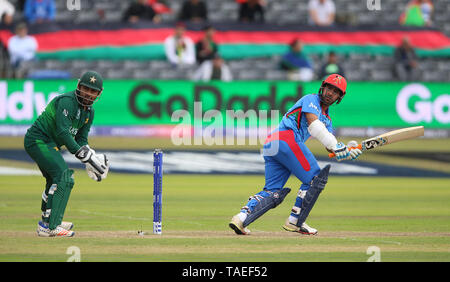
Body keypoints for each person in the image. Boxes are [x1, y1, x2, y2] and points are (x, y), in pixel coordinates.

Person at [229, 74, 362, 236]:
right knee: (315, 179)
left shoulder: (327, 120)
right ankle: (295, 220)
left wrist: (347, 150)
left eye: (335, 91)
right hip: (286, 139)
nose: (330, 93)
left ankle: (240, 218)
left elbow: (331, 148)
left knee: (273, 192)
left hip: (273, 144)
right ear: (323, 86)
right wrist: (336, 145)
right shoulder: (311, 100)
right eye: (329, 88)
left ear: (340, 97)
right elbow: (315, 126)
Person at [24, 71, 109, 237]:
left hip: (49, 144)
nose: (88, 94)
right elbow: (63, 133)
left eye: (93, 91)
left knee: (54, 179)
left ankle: (47, 223)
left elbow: (81, 138)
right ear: (78, 86)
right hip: (38, 140)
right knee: (64, 176)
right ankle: (52, 227)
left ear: (99, 93)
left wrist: (91, 157)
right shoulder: (67, 102)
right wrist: (83, 155)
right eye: (86, 89)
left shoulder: (89, 113)